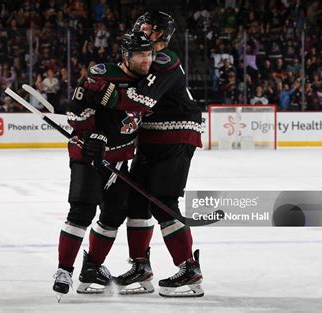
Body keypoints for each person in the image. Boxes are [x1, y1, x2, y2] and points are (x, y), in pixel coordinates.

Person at [85, 11, 204, 298]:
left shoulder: (164, 60)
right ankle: (141, 266)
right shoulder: (143, 60)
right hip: (150, 137)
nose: (143, 31)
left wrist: (105, 93)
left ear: (162, 35)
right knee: (137, 200)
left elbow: (141, 100)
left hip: (177, 134)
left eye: (149, 28)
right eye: (141, 26)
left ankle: (190, 270)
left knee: (163, 200)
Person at [52, 31, 154, 300]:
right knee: (81, 211)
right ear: (126, 56)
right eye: (141, 55)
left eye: (149, 54)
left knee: (114, 214)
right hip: (89, 155)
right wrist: (89, 134)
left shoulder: (150, 81)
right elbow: (75, 110)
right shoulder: (102, 74)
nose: (147, 60)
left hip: (119, 161)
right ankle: (64, 270)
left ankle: (92, 269)